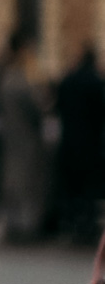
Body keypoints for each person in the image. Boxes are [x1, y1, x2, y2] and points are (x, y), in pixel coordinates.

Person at [0, 31, 50, 243]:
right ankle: (26, 226)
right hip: (26, 138)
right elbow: (37, 107)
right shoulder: (23, 79)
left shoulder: (6, 77)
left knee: (12, 181)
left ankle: (11, 223)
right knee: (27, 183)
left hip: (11, 137)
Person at [52, 44, 105, 246]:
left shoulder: (67, 81)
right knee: (89, 189)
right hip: (90, 145)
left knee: (72, 187)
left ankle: (72, 224)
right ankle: (87, 227)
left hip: (68, 142)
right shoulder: (95, 82)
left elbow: (58, 108)